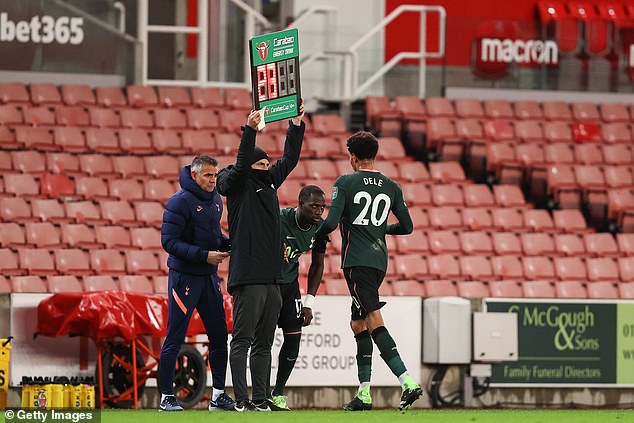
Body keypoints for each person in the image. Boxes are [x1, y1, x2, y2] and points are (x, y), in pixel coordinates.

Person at [314, 131, 422, 411]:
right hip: (379, 262)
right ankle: (363, 393)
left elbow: (332, 221)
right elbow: (408, 226)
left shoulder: (346, 182)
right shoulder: (392, 185)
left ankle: (407, 381)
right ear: (374, 155)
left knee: (373, 319)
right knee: (357, 323)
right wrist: (380, 228)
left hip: (357, 263)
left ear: (352, 157)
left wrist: (313, 232)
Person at [216, 103, 305, 412]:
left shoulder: (268, 182)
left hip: (272, 278)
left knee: (264, 343)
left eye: (269, 164)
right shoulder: (236, 183)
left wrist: (295, 125)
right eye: (263, 164)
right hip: (248, 276)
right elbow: (240, 166)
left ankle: (261, 399)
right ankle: (241, 400)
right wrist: (250, 130)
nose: (269, 167)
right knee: (242, 340)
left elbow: (291, 159)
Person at [158, 155, 235, 412]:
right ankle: (166, 397)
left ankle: (219, 395)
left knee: (219, 335)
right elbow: (169, 243)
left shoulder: (214, 200)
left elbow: (213, 235)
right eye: (208, 176)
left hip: (209, 277)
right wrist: (204, 256)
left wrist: (228, 244)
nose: (213, 181)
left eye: (215, 175)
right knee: (175, 336)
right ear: (194, 175)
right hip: (184, 278)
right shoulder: (179, 202)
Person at [269, 185, 328, 411]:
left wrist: (309, 302)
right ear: (300, 203)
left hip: (290, 287)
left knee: (293, 340)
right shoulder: (279, 219)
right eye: (314, 206)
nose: (318, 212)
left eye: (322, 208)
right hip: (268, 284)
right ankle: (258, 394)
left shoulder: (321, 228)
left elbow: (318, 264)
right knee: (262, 341)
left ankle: (278, 394)